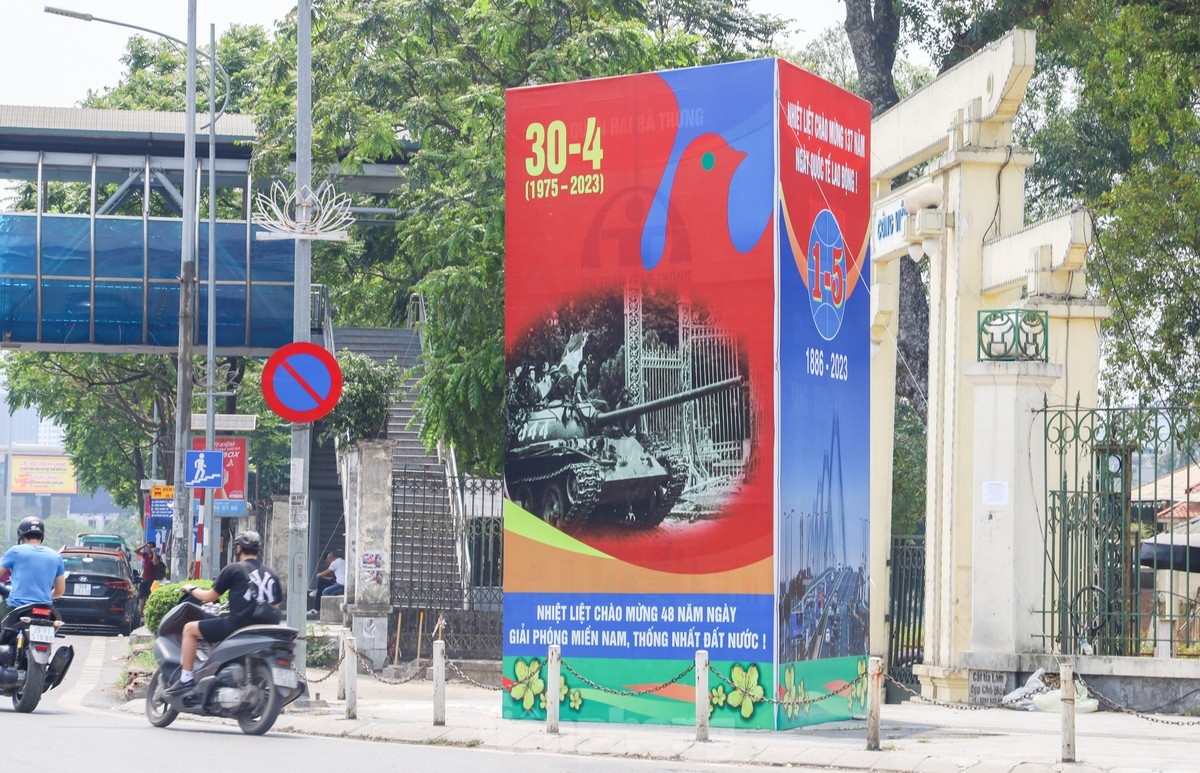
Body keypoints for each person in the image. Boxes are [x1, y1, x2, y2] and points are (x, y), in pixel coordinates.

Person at [161, 531, 280, 698]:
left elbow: (210, 597)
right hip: (264, 629)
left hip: (237, 625)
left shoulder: (234, 569)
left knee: (189, 629)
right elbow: (275, 605)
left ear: (238, 548)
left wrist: (192, 589)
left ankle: (186, 678)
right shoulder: (271, 573)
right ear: (258, 550)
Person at [0, 517, 66, 618]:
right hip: (45, 609)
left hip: (16, 607)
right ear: (42, 535)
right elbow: (60, 591)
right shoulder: (56, 556)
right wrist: (47, 598)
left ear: (20, 534)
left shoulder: (15, 551)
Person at [135, 541, 161, 614]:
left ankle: (147, 611)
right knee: (142, 595)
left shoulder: (156, 556)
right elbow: (136, 551)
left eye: (150, 547)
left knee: (148, 595)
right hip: (144, 578)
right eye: (148, 547)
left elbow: (155, 563)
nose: (149, 549)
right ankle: (141, 612)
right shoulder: (145, 555)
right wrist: (144, 545)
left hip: (152, 579)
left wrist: (154, 553)